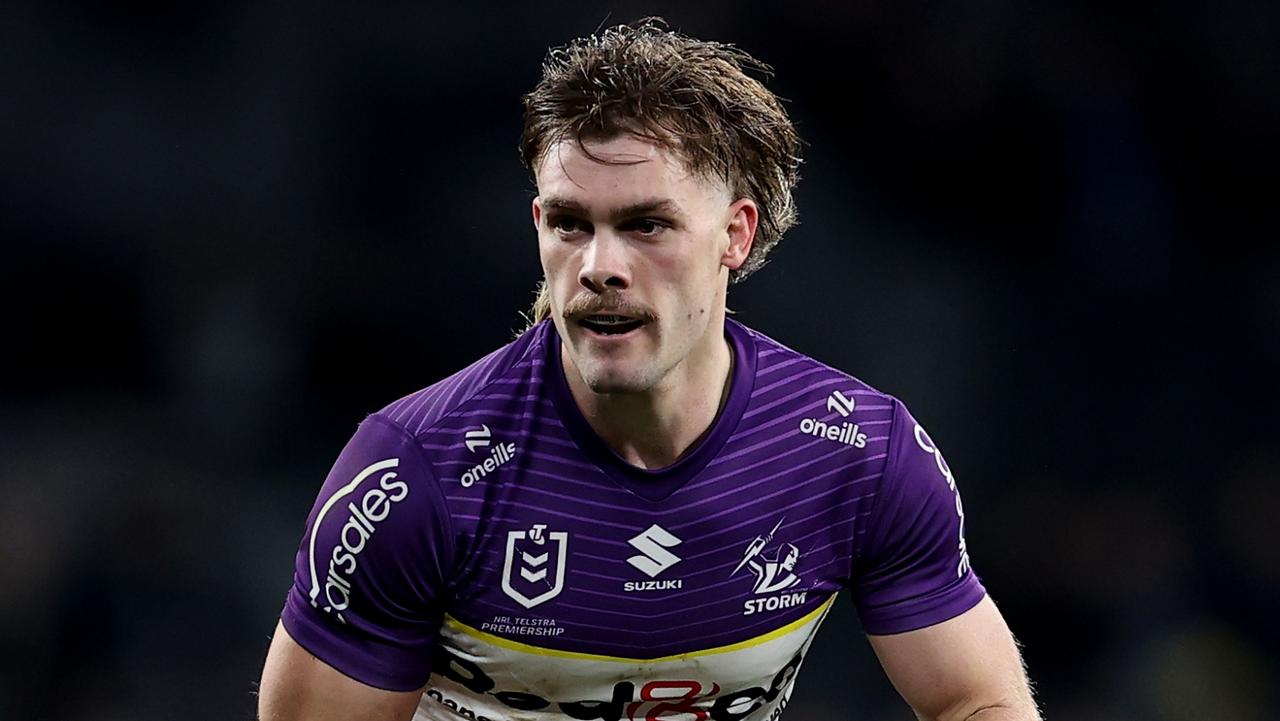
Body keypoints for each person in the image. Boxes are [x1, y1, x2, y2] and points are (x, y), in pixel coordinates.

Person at [258, 18, 1040, 721]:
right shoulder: (416, 470)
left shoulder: (858, 455)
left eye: (647, 224)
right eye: (570, 222)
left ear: (735, 236)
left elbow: (976, 699)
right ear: (538, 225)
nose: (599, 265)